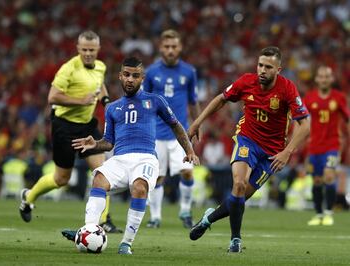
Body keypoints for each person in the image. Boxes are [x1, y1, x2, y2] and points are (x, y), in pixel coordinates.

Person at [61, 57, 199, 254]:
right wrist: (94, 144)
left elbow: (176, 125)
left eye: (135, 76)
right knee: (99, 179)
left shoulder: (155, 101)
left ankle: (126, 243)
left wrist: (189, 151)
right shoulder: (112, 108)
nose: (130, 79)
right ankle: (89, 230)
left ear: (142, 78)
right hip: (120, 159)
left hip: (146, 158)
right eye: (126, 75)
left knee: (139, 187)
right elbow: (109, 142)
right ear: (120, 76)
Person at [187, 46, 310, 253]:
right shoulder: (246, 81)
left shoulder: (287, 88)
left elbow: (305, 125)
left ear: (278, 70)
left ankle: (209, 218)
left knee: (239, 197)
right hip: (247, 141)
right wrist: (197, 122)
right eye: (260, 65)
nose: (262, 70)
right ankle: (235, 239)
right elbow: (221, 99)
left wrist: (287, 152)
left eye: (268, 67)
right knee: (239, 184)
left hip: (272, 152)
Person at [19, 30, 121, 233]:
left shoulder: (100, 67)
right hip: (64, 126)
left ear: (98, 49)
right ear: (78, 49)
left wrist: (107, 102)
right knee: (61, 178)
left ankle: (102, 222)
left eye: (92, 50)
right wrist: (80, 100)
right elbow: (52, 96)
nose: (88, 54)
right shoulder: (68, 69)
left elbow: (99, 86)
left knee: (103, 173)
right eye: (84, 50)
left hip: (87, 126)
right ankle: (28, 198)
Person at [142, 29, 201, 228]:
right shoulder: (151, 72)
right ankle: (155, 217)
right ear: (160, 48)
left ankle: (185, 211)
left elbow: (193, 102)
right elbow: (144, 102)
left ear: (180, 47)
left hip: (180, 134)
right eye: (166, 47)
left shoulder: (189, 72)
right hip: (156, 134)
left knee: (187, 172)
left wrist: (197, 122)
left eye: (174, 47)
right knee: (157, 177)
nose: (170, 50)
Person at [303, 66, 350, 226]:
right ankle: (318, 214)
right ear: (317, 79)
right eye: (321, 77)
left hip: (332, 144)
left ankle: (329, 213)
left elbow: (347, 118)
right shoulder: (309, 98)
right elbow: (301, 120)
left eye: (327, 77)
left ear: (331, 79)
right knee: (316, 181)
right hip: (315, 146)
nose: (324, 79)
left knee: (329, 176)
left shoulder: (338, 98)